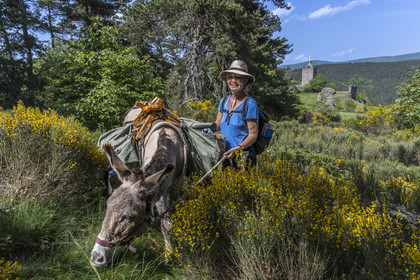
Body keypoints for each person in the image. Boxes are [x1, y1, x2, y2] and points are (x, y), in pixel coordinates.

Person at [214, 60, 259, 168]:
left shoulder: (250, 104)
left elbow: (253, 135)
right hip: (225, 155)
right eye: (230, 77)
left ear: (245, 80)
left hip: (243, 156)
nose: (233, 81)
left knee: (241, 185)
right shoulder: (224, 101)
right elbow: (217, 124)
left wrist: (237, 149)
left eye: (237, 77)